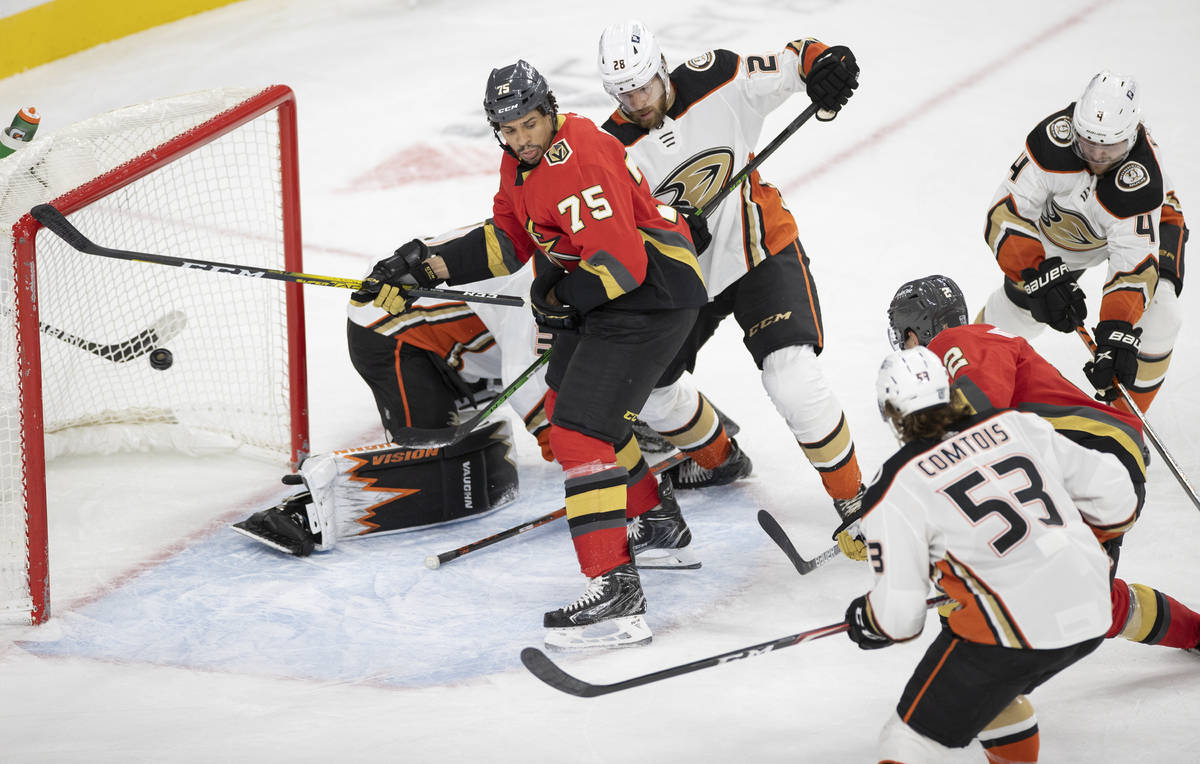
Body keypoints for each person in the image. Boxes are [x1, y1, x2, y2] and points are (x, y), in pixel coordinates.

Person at [359, 60, 710, 649]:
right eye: (508, 129)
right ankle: (658, 522)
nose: (520, 137)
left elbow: (624, 265)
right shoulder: (522, 161)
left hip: (650, 297)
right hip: (612, 296)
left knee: (577, 431)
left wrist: (562, 301)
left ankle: (616, 593)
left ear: (549, 111)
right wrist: (424, 264)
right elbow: (507, 242)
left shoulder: (580, 158)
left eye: (529, 123)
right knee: (570, 405)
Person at [595, 21, 868, 559]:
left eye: (642, 87)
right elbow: (619, 236)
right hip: (682, 277)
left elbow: (797, 62)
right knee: (647, 392)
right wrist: (659, 237)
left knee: (790, 376)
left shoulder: (717, 77)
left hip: (758, 250)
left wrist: (826, 65)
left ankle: (855, 501)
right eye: (621, 92)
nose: (634, 101)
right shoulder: (610, 151)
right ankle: (720, 458)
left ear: (660, 67)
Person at [845, 345, 1137, 763]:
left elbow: (900, 617)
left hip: (1014, 631)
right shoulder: (1017, 425)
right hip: (1092, 607)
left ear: (890, 412)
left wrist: (868, 619)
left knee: (907, 740)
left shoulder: (895, 485)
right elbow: (1116, 496)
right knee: (994, 701)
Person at [885, 274, 1200, 656]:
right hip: (1084, 461)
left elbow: (982, 415)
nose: (904, 345)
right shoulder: (966, 354)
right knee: (1084, 596)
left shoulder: (955, 342)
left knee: (1060, 595)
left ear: (917, 328)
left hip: (1089, 453)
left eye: (904, 333)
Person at [977, 71, 1188, 413]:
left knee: (1162, 315)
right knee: (1015, 316)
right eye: (1089, 142)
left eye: (1110, 147)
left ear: (1133, 136)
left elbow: (1132, 267)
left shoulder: (1141, 182)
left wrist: (1115, 330)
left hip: (1147, 224)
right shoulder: (1053, 143)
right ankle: (962, 375)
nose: (1098, 156)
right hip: (1067, 229)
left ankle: (1125, 422)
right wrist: (1036, 274)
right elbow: (1004, 212)